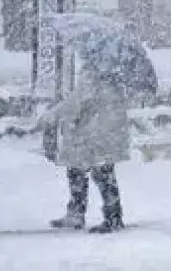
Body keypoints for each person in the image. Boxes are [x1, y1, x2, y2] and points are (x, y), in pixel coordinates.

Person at [38, 61, 131, 233]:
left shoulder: (94, 73)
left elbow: (75, 104)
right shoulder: (118, 76)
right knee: (97, 173)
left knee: (87, 172)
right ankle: (110, 215)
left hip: (94, 135)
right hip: (108, 134)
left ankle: (99, 216)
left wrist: (51, 115)